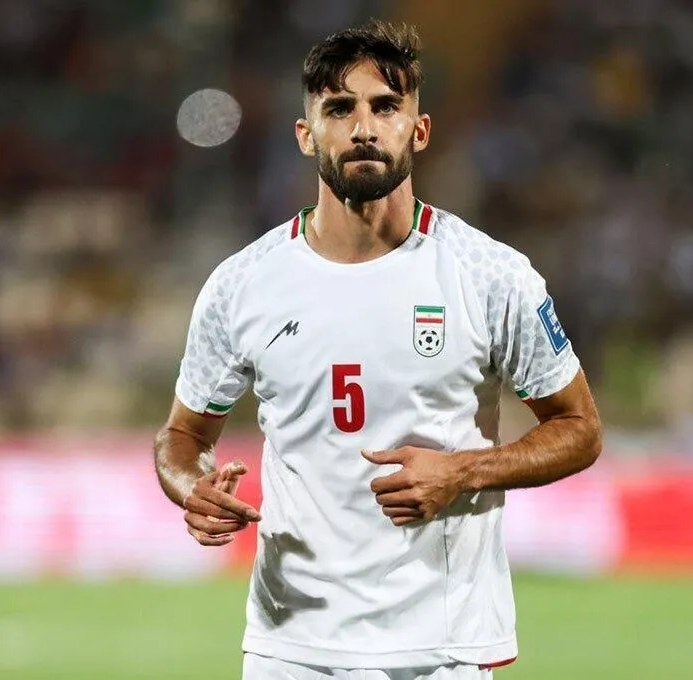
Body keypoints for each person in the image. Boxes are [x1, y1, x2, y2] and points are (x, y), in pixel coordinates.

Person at [153, 19, 602, 680]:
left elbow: (580, 429)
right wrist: (193, 488)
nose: (363, 127)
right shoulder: (242, 285)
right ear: (306, 135)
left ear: (418, 130)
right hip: (290, 647)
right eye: (340, 109)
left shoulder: (490, 275)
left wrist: (463, 472)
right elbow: (181, 437)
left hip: (439, 648)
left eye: (386, 106)